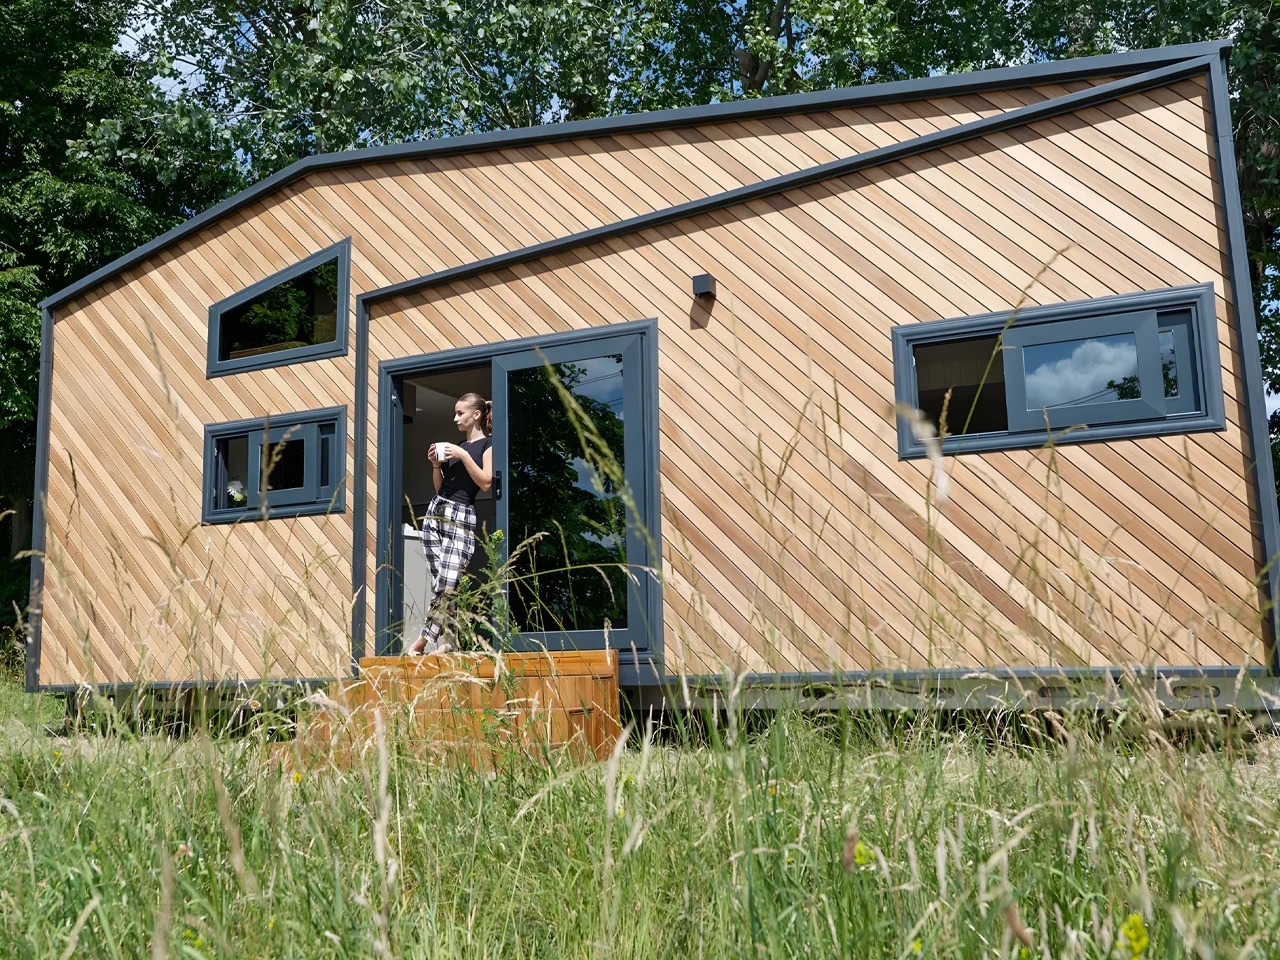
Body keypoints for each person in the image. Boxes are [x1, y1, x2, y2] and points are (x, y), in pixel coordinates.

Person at [407, 392, 493, 656]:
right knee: (443, 583)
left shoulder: (487, 446)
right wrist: (436, 465)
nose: (455, 417)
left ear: (475, 415)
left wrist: (463, 455)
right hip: (437, 511)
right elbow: (440, 488)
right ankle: (451, 640)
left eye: (460, 413)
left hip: (461, 515)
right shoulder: (457, 446)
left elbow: (486, 482)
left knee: (448, 581)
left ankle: (422, 641)